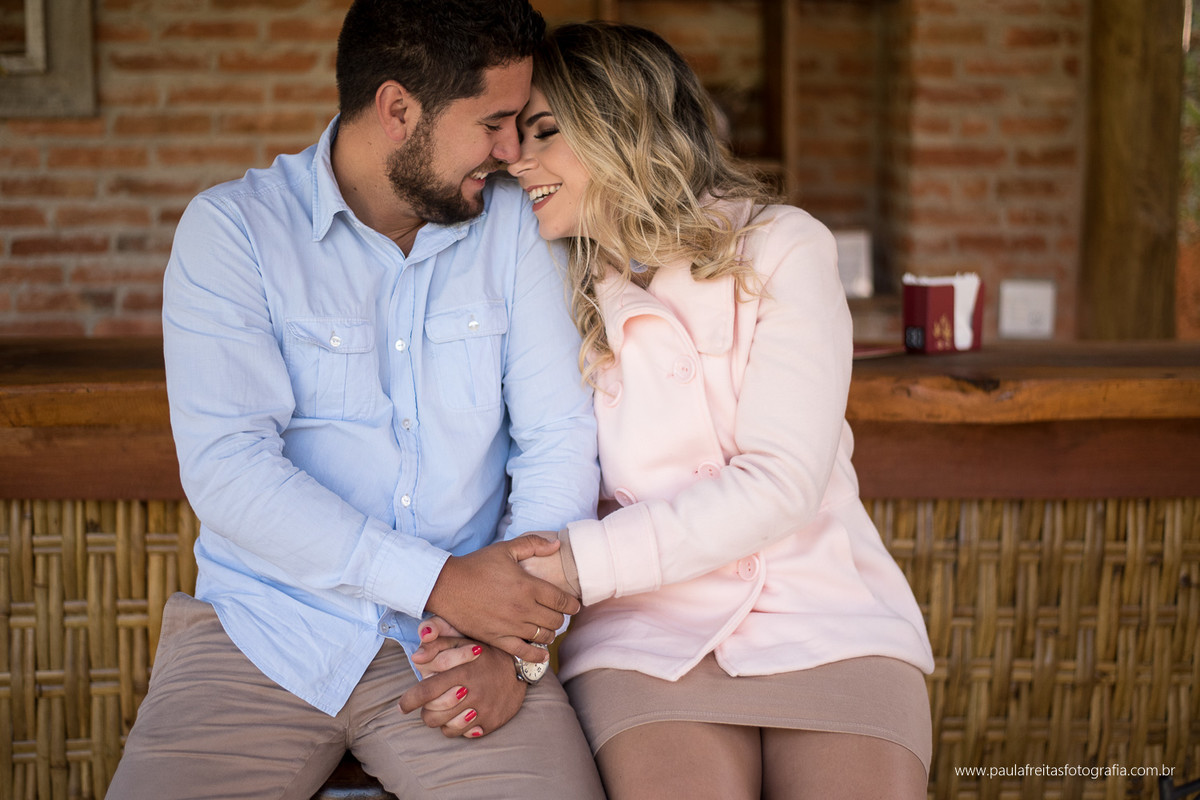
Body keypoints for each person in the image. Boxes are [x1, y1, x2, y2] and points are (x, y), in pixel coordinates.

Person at [105, 2, 606, 798]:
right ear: (398, 109)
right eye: (494, 123)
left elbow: (557, 439)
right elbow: (231, 473)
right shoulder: (233, 233)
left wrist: (514, 645)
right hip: (263, 635)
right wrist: (439, 580)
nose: (513, 153)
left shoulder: (512, 225)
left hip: (464, 647)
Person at [508, 21, 937, 799]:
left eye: (543, 132)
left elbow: (780, 484)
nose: (515, 159)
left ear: (618, 127)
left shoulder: (782, 247)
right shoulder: (550, 283)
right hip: (646, 638)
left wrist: (578, 562)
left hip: (825, 615)